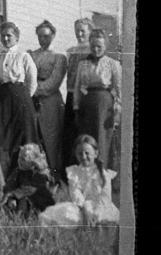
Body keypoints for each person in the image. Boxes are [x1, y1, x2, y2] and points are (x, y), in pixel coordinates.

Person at [0, 21, 39, 178]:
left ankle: (25, 175)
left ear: (16, 37)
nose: (6, 38)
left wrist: (24, 99)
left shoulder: (24, 56)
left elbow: (32, 81)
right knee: (1, 135)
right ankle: (3, 176)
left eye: (9, 35)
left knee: (23, 136)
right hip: (2, 98)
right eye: (3, 35)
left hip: (21, 98)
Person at [39, 135, 119, 227]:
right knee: (60, 213)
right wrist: (85, 211)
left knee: (103, 219)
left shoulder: (103, 174)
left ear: (96, 153)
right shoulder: (74, 173)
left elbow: (105, 196)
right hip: (81, 207)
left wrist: (96, 212)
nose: (84, 157)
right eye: (80, 154)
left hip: (100, 207)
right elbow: (75, 194)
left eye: (87, 153)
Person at [74, 29, 122, 170]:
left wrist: (117, 110)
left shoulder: (112, 64)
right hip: (87, 105)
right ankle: (87, 175)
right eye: (93, 46)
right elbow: (77, 87)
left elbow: (119, 89)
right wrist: (76, 108)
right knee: (87, 140)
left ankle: (103, 175)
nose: (95, 49)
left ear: (105, 46)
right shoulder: (83, 64)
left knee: (102, 140)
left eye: (99, 46)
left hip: (104, 105)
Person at [28, 20, 68, 181]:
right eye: (40, 36)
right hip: (32, 99)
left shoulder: (59, 57)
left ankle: (55, 174)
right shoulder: (32, 54)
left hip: (50, 101)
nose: (43, 39)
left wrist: (33, 90)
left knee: (51, 137)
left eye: (46, 36)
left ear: (53, 36)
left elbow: (54, 82)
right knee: (34, 135)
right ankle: (38, 176)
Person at [63, 18, 94, 166]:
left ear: (90, 31)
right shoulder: (71, 51)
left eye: (83, 30)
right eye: (77, 31)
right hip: (71, 94)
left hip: (85, 96)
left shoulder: (92, 50)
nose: (80, 34)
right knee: (70, 132)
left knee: (84, 131)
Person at [0, 143, 55, 217]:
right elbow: (10, 184)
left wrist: (13, 194)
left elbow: (29, 189)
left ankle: (22, 217)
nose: (20, 161)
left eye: (23, 159)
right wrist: (8, 194)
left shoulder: (41, 173)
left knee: (23, 198)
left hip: (41, 203)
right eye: (19, 158)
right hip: (23, 200)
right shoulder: (18, 171)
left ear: (34, 161)